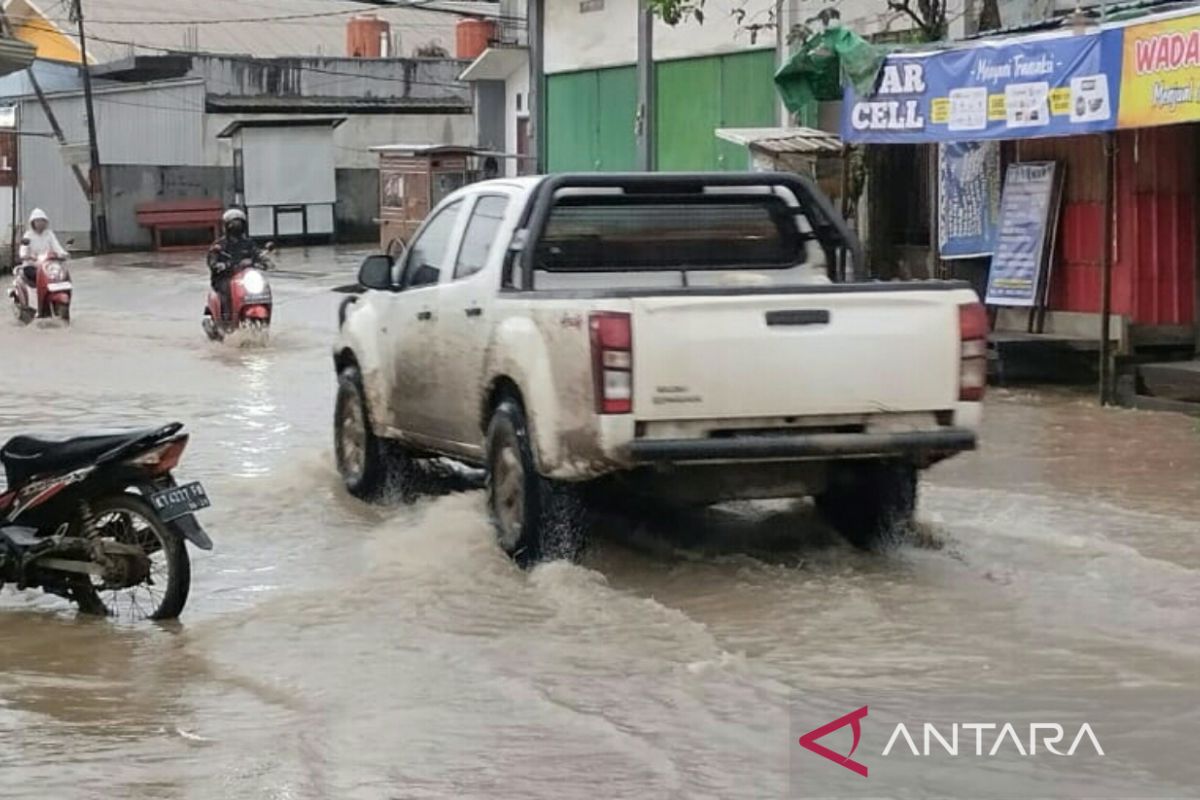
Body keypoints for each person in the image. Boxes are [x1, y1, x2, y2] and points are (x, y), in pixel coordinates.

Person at [207, 208, 263, 321]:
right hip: (225, 277)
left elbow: (258, 254)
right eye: (233, 224)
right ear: (227, 226)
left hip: (246, 278)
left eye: (239, 223)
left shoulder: (249, 243)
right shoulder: (219, 245)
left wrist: (265, 261)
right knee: (226, 291)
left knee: (262, 288)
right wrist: (219, 265)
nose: (236, 227)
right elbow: (212, 260)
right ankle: (226, 319)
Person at [18, 209, 68, 284]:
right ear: (33, 223)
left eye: (42, 221)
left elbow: (57, 247)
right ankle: (38, 294)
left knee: (63, 275)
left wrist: (63, 254)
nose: (40, 223)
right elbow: (22, 251)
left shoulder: (49, 234)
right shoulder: (27, 235)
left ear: (45, 222)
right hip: (32, 265)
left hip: (48, 265)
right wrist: (29, 257)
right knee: (37, 276)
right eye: (37, 221)